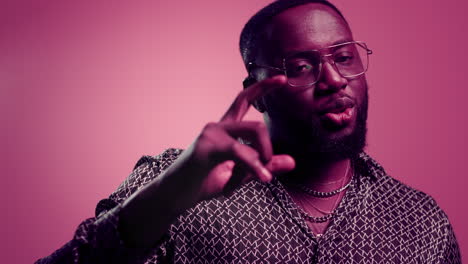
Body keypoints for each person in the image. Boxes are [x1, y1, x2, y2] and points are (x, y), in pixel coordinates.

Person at [36, 0, 461, 263]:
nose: (333, 79)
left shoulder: (421, 222)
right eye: (300, 67)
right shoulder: (181, 181)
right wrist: (167, 198)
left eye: (345, 56)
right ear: (256, 95)